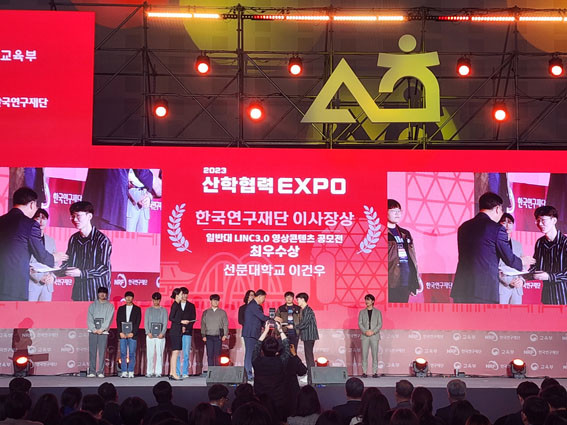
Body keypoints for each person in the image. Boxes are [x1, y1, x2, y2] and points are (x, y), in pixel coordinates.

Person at [451, 192, 533, 304]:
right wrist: (522, 261)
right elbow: (509, 258)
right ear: (497, 208)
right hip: (484, 290)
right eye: (502, 210)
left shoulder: (464, 226)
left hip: (461, 288)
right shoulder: (497, 229)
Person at [0, 187, 65, 301]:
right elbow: (41, 255)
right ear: (31, 204)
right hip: (14, 287)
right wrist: (55, 257)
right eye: (36, 206)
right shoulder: (30, 224)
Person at [62, 201, 112, 301]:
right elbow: (68, 262)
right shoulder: (74, 239)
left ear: (89, 216)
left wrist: (81, 273)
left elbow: (103, 268)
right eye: (72, 216)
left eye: (78, 216)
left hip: (97, 292)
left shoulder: (102, 240)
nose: (75, 219)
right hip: (79, 292)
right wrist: (53, 273)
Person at [252, 322, 290, 421]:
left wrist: (265, 331)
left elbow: (256, 346)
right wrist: (280, 330)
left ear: (262, 350)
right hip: (278, 400)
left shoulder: (256, 361)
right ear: (277, 350)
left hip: (260, 399)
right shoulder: (280, 361)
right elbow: (287, 347)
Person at [387, 199, 422, 302]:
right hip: (389, 280)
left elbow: (413, 257)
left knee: (401, 310)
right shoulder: (378, 233)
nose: (397, 214)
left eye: (399, 211)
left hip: (406, 280)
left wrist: (416, 279)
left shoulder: (405, 233)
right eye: (393, 211)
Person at [532, 206, 567, 304]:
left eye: (543, 220)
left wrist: (549, 277)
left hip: (564, 295)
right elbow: (536, 266)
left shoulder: (565, 243)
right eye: (538, 220)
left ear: (554, 220)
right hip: (547, 296)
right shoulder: (540, 243)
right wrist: (522, 277)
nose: (540, 224)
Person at [242, 289, 273, 380]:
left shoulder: (255, 306)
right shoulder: (253, 305)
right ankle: (248, 375)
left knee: (253, 354)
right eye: (264, 298)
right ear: (259, 296)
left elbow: (260, 320)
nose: (264, 300)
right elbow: (262, 317)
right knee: (249, 354)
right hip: (250, 333)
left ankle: (250, 374)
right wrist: (273, 318)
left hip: (254, 333)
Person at [28, 208, 57, 302]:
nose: (41, 221)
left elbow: (54, 261)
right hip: (32, 285)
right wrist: (39, 277)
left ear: (47, 220)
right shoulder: (27, 239)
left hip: (48, 286)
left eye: (43, 218)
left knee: (45, 311)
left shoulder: (51, 240)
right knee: (28, 310)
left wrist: (52, 277)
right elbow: (24, 262)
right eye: (37, 218)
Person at [498, 214, 526, 304]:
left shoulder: (518, 244)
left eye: (510, 223)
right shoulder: (495, 243)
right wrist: (509, 281)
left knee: (517, 313)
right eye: (504, 222)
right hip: (502, 288)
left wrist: (522, 280)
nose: (507, 226)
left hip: (517, 289)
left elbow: (522, 265)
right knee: (500, 313)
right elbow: (493, 266)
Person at [87, 287, 114, 378]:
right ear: (98, 294)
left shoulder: (110, 306)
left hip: (103, 332)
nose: (102, 294)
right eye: (101, 293)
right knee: (92, 352)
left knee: (102, 352)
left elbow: (109, 319)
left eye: (104, 293)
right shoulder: (92, 306)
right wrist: (93, 329)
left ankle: (101, 371)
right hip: (93, 331)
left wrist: (102, 329)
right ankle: (92, 371)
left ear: (107, 294)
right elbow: (89, 318)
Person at [116, 290, 141, 378]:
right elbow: (118, 321)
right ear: (125, 298)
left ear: (133, 298)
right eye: (127, 297)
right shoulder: (121, 309)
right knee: (123, 353)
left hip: (132, 335)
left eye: (130, 297)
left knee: (132, 353)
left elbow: (137, 322)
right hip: (122, 335)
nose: (128, 298)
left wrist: (133, 333)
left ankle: (131, 371)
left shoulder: (137, 309)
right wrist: (120, 332)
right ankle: (124, 371)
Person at [201, 293, 229, 369]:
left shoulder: (222, 312)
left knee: (217, 355)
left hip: (218, 336)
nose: (216, 302)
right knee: (210, 355)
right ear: (210, 301)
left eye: (217, 300)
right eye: (214, 300)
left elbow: (225, 324)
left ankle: (217, 371)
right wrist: (203, 335)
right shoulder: (206, 312)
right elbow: (203, 324)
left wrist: (225, 335)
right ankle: (210, 370)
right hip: (208, 336)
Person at [358, 294, 382, 378]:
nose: (366, 301)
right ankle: (364, 372)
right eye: (365, 299)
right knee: (364, 355)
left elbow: (380, 324)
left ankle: (375, 372)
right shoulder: (362, 312)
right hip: (365, 336)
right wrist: (365, 331)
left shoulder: (378, 312)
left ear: (372, 301)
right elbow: (360, 323)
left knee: (374, 355)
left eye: (368, 300)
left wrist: (373, 331)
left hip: (374, 336)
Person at [144, 292, 168, 378]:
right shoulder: (148, 310)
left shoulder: (163, 310)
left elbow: (165, 323)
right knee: (150, 354)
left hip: (160, 336)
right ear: (152, 300)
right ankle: (149, 371)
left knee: (159, 354)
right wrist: (148, 332)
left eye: (157, 300)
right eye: (154, 300)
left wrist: (162, 333)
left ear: (160, 300)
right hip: (150, 335)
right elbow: (146, 322)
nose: (156, 302)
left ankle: (158, 372)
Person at [295, 292, 319, 377]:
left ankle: (311, 376)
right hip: (307, 336)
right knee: (308, 355)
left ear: (302, 299)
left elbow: (304, 323)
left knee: (309, 356)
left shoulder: (308, 310)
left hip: (309, 336)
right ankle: (311, 376)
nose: (297, 301)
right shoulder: (304, 310)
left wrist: (294, 326)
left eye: (298, 299)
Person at [168, 288, 189, 381]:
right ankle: (173, 373)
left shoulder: (178, 304)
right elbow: (171, 317)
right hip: (175, 331)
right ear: (176, 295)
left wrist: (182, 324)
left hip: (178, 330)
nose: (182, 296)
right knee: (175, 352)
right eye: (181, 294)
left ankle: (172, 373)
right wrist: (181, 321)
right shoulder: (175, 305)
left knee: (176, 352)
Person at [284, 342, 308, 416]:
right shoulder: (292, 359)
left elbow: (303, 371)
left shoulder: (275, 359)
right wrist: (294, 355)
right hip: (291, 395)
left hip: (285, 396)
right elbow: (303, 370)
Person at [177, 287, 196, 378]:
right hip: (177, 331)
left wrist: (185, 327)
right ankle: (177, 372)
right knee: (177, 353)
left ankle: (185, 372)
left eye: (186, 294)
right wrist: (180, 327)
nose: (184, 296)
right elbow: (174, 318)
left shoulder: (191, 306)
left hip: (187, 332)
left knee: (186, 353)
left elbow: (193, 319)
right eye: (183, 294)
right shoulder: (176, 305)